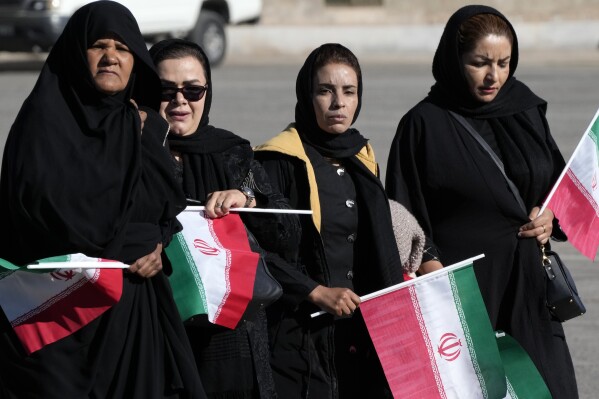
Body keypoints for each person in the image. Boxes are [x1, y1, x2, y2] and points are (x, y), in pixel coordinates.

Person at [0, 2, 206, 398]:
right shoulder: (41, 125)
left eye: (123, 48)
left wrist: (158, 245)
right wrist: (128, 244)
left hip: (133, 315)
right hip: (59, 318)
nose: (111, 56)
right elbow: (40, 215)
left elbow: (164, 207)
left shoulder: (143, 127)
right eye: (98, 45)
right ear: (78, 53)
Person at [385, 5, 578, 398]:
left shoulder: (525, 110)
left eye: (504, 63)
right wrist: (444, 287)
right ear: (455, 60)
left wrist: (550, 215)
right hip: (467, 300)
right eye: (480, 63)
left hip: (530, 295)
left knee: (551, 388)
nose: (495, 76)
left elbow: (558, 187)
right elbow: (404, 219)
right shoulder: (422, 125)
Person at [149, 38, 299, 399]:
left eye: (193, 90)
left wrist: (246, 200)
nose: (180, 100)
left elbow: (288, 235)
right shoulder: (132, 155)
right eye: (166, 90)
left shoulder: (232, 154)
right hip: (162, 335)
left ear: (208, 92)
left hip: (234, 340)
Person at [254, 43, 403, 399]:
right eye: (325, 91)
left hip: (358, 339)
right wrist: (315, 292)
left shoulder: (361, 158)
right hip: (297, 339)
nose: (338, 103)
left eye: (349, 92)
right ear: (307, 95)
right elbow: (254, 249)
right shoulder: (278, 160)